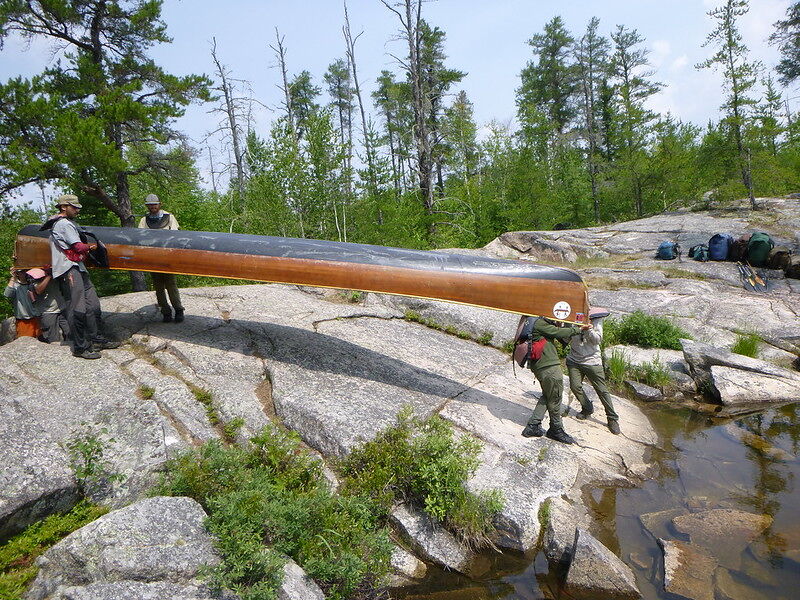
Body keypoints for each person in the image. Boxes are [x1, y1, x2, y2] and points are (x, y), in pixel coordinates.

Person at [45, 194, 118, 359]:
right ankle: (80, 347)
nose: (77, 210)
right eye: (74, 207)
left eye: (78, 207)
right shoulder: (63, 224)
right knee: (78, 308)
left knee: (93, 306)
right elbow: (78, 247)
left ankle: (96, 338)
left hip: (79, 268)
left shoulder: (67, 223)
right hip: (69, 269)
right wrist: (94, 247)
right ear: (64, 207)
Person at [521, 316, 589, 444]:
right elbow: (558, 333)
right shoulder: (540, 323)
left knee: (548, 395)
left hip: (542, 366)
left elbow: (559, 334)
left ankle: (533, 426)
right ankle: (556, 429)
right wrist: (579, 329)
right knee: (556, 398)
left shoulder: (536, 321)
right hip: (549, 367)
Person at [567, 307, 621, 435]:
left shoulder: (596, 318)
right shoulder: (569, 315)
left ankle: (612, 418)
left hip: (592, 361)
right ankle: (587, 408)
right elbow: (565, 338)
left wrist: (588, 329)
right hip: (574, 359)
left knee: (602, 390)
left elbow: (597, 340)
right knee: (575, 387)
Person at [138, 193, 184, 323]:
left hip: (167, 256)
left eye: (154, 204)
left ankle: (178, 309)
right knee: (158, 286)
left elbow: (175, 235)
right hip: (152, 257)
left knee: (171, 284)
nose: (152, 206)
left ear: (159, 204)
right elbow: (141, 237)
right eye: (150, 205)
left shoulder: (169, 217)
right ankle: (166, 311)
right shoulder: (143, 220)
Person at [27, 267, 70, 343]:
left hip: (62, 309)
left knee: (70, 333)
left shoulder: (57, 275)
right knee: (53, 339)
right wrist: (49, 276)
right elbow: (38, 290)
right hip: (48, 312)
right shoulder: (36, 275)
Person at [4, 268, 42, 338]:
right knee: (26, 343)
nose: (24, 273)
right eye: (21, 271)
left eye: (25, 271)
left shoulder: (33, 284)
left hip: (36, 318)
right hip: (24, 321)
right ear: (18, 273)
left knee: (40, 340)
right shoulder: (15, 286)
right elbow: (7, 294)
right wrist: (13, 277)